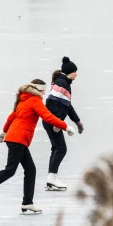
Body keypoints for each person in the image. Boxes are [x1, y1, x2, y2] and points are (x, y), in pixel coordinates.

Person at [0, 79, 75, 214]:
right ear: (38, 90)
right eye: (43, 90)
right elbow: (48, 117)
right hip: (18, 139)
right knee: (10, 170)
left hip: (16, 138)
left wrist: (3, 132)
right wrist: (66, 126)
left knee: (30, 169)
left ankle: (27, 203)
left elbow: (11, 117)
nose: (44, 92)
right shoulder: (35, 101)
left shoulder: (24, 100)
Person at [43, 56, 85, 191]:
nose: (77, 74)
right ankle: (52, 178)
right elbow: (50, 102)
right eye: (75, 72)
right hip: (51, 121)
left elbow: (68, 106)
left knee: (56, 148)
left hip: (50, 121)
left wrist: (77, 122)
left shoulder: (63, 83)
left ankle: (51, 180)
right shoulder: (62, 83)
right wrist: (57, 121)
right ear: (69, 73)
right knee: (61, 149)